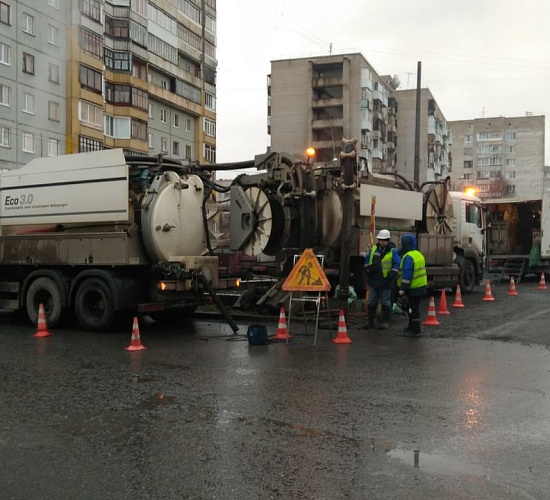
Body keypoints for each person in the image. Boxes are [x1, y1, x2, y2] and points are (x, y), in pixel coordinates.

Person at [363, 229, 400, 330]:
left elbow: (396, 264)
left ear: (388, 240)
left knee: (385, 302)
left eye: (384, 240)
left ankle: (385, 321)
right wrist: (368, 269)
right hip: (374, 280)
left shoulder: (393, 251)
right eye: (380, 240)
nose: (381, 242)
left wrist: (392, 274)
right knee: (372, 301)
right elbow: (367, 259)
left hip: (386, 281)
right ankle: (370, 322)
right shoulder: (374, 249)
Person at [397, 233, 428, 337]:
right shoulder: (418, 254)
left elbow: (407, 274)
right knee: (414, 307)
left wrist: (402, 289)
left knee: (413, 309)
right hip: (421, 286)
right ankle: (411, 327)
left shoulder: (408, 257)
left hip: (413, 288)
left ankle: (415, 330)